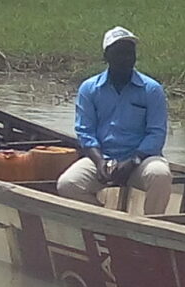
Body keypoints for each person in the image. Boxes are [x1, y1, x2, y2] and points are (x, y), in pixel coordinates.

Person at [58, 27, 174, 216]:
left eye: (130, 53)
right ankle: (104, 219)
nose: (126, 58)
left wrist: (132, 162)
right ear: (107, 56)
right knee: (67, 184)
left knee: (160, 175)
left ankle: (153, 227)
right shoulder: (89, 88)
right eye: (119, 53)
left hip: (141, 160)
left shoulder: (152, 89)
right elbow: (85, 132)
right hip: (103, 158)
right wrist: (99, 162)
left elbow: (156, 134)